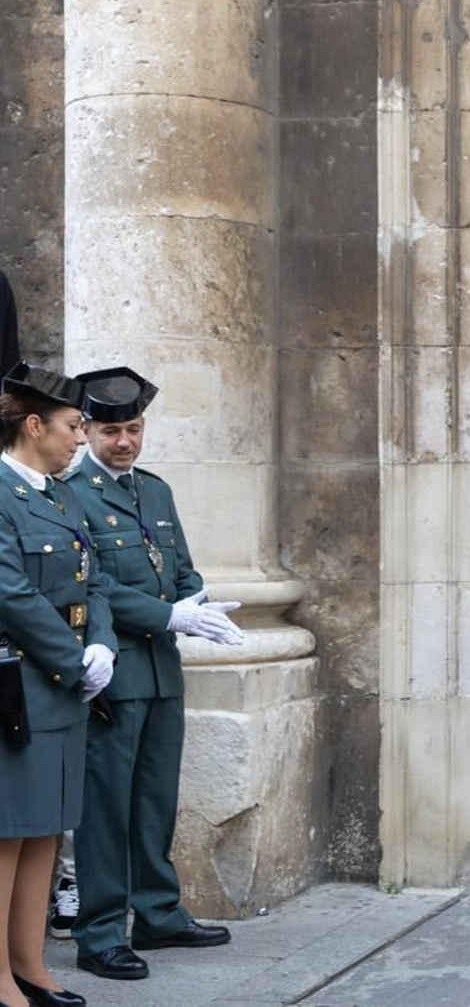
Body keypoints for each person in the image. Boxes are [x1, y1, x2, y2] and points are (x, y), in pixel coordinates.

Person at [63, 367, 242, 981]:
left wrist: (199, 605)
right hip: (114, 671)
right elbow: (95, 582)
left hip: (163, 671)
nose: (125, 442)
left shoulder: (156, 491)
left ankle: (159, 913)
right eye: (112, 431)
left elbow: (183, 568)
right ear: (85, 429)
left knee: (156, 801)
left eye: (134, 429)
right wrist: (170, 614)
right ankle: (101, 931)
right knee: (107, 808)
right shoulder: (71, 492)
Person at [0, 364, 114, 1007]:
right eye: (74, 427)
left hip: (64, 686)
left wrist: (99, 642)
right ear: (35, 424)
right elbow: (9, 593)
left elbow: (92, 578)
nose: (80, 439)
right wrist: (74, 662)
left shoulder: (58, 494)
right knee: (7, 834)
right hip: (20, 685)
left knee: (46, 828)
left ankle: (30, 966)